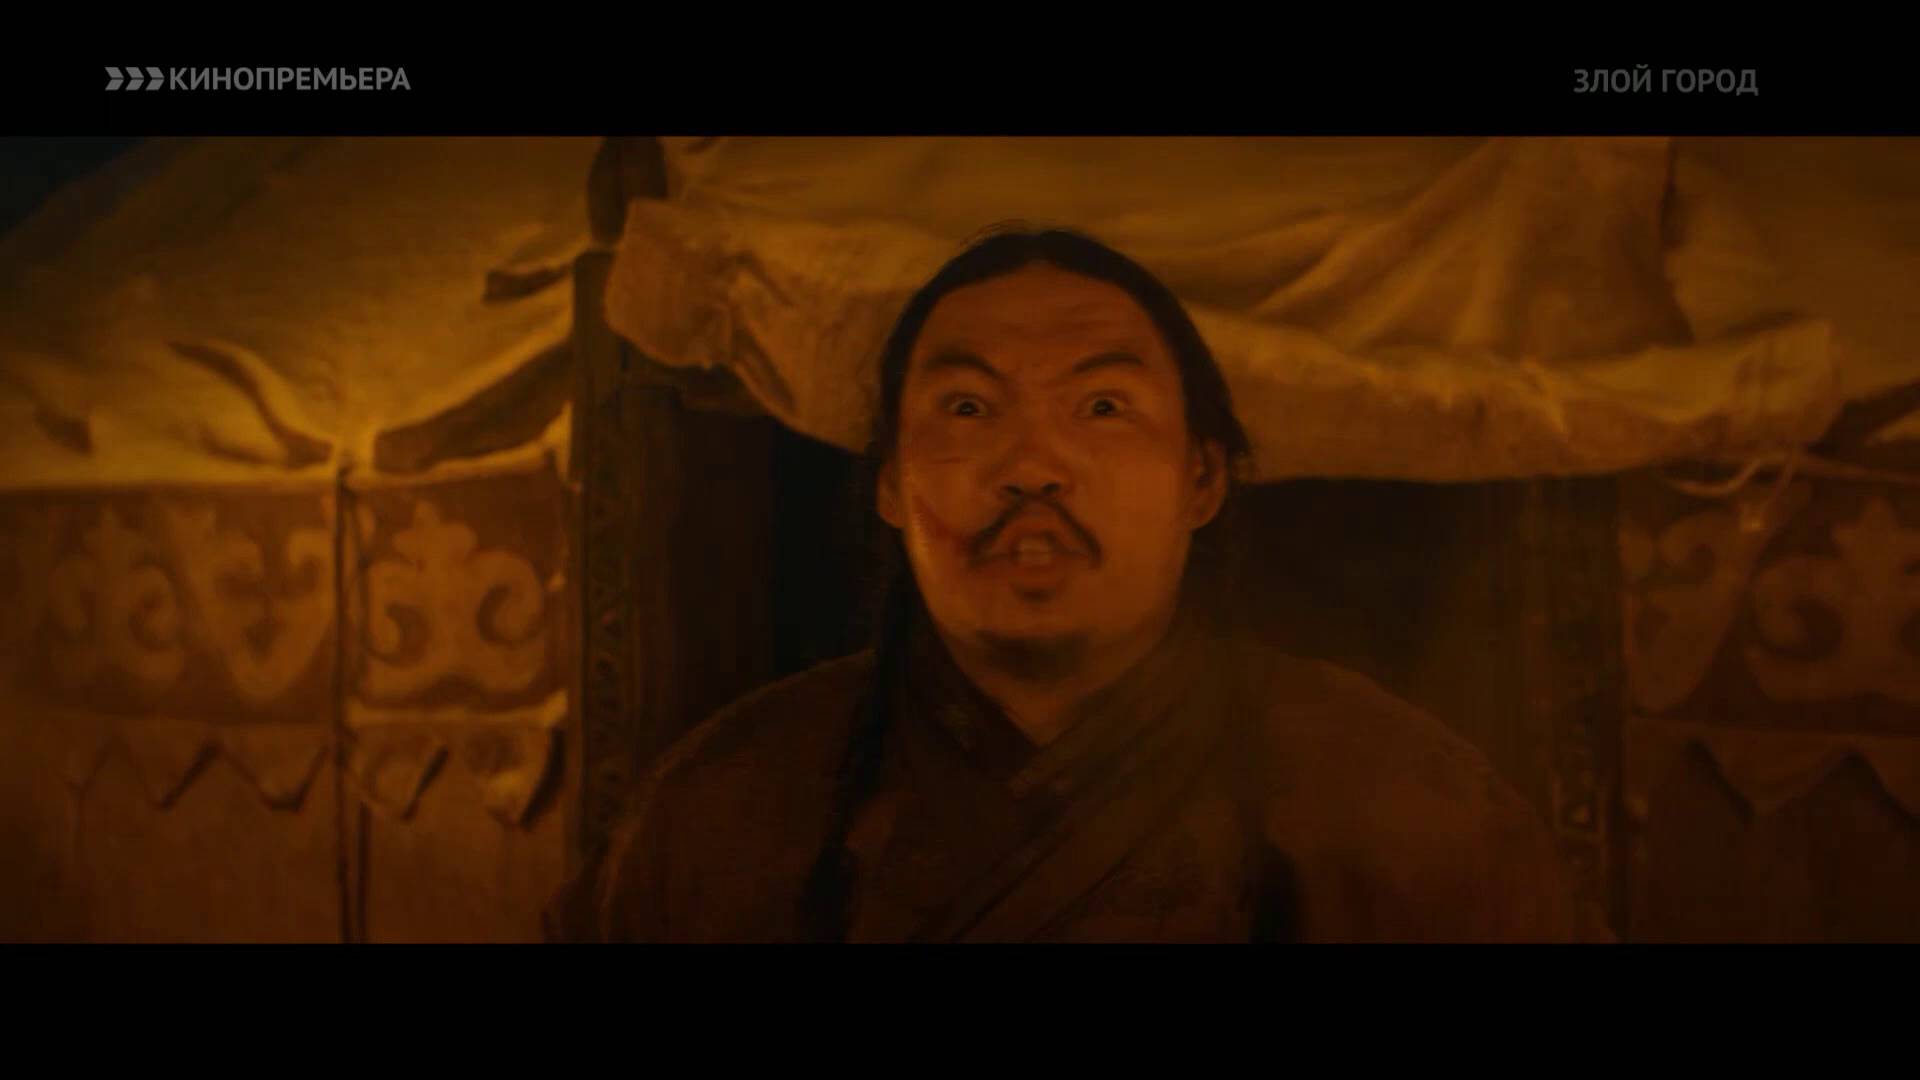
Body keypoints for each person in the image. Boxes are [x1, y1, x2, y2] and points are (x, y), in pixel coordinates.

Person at [548, 227, 1591, 943]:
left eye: (1102, 408)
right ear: (894, 486)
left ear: (1201, 479)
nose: (1032, 466)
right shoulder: (723, 809)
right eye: (967, 409)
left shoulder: (1403, 803)